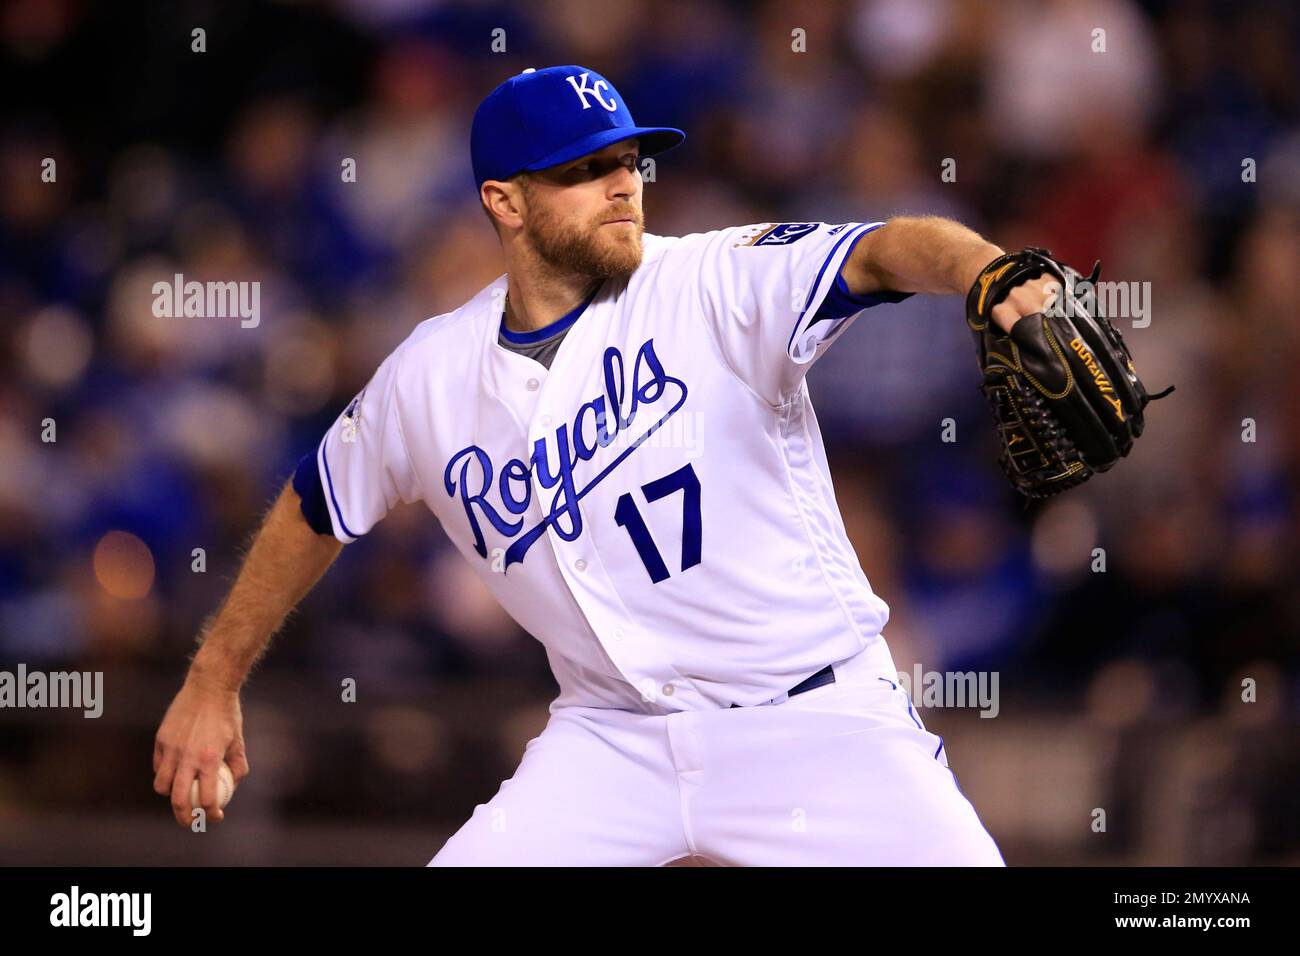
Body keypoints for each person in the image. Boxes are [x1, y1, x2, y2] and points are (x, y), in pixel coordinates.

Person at [155, 65, 1054, 865]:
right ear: (504, 201)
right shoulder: (428, 376)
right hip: (610, 740)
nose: (622, 186)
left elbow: (884, 249)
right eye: (583, 171)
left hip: (812, 718)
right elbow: (314, 506)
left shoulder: (713, 279)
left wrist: (986, 272)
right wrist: (212, 678)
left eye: (627, 162)